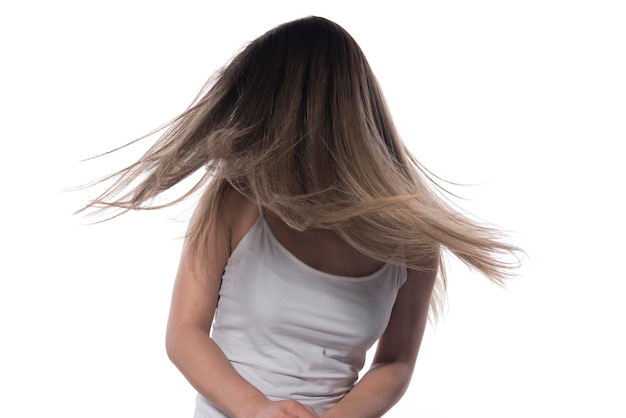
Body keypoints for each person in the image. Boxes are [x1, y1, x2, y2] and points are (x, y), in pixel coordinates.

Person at [82, 16, 520, 418]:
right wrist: (255, 409)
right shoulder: (236, 201)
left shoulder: (413, 239)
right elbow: (184, 333)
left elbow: (396, 362)